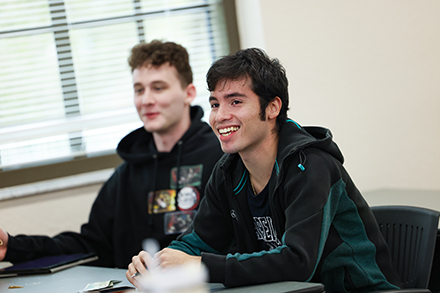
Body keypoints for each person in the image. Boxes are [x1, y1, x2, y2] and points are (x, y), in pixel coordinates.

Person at [127, 48, 401, 292]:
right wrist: (160, 260)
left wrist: (199, 266)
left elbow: (298, 261)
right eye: (215, 104)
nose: (220, 115)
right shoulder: (228, 171)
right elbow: (200, 241)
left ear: (272, 108)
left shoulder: (311, 165)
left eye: (235, 102)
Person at [0, 40, 223, 269]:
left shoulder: (221, 158)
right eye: (139, 90)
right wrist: (14, 246)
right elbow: (91, 244)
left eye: (158, 87)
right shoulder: (127, 172)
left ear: (189, 93)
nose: (146, 100)